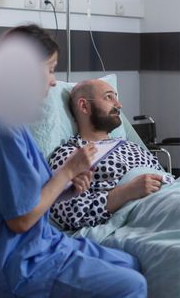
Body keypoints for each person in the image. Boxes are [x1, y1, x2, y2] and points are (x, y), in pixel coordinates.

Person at [0, 25, 147, 298]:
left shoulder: (14, 123)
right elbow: (20, 220)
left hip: (35, 241)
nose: (54, 81)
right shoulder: (1, 130)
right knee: (132, 285)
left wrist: (68, 184)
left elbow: (24, 196)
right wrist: (67, 169)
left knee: (130, 262)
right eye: (50, 69)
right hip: (7, 259)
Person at [49, 79, 173, 231]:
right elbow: (71, 214)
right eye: (109, 97)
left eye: (116, 97)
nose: (119, 105)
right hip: (147, 214)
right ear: (84, 106)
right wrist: (127, 192)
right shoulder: (72, 156)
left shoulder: (131, 145)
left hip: (172, 195)